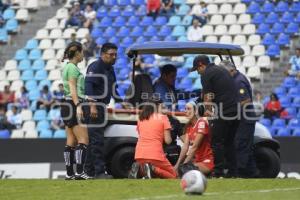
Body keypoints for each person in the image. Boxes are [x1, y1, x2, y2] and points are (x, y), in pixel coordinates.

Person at [191, 55, 239, 178]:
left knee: (216, 142)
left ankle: (218, 172)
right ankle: (233, 172)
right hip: (236, 110)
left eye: (197, 69)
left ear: (201, 65)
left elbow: (208, 96)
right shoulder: (221, 70)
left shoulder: (207, 74)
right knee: (229, 142)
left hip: (223, 111)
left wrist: (207, 111)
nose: (198, 72)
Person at [84, 42, 122, 179]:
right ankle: (99, 172)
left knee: (93, 140)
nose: (114, 57)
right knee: (97, 140)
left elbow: (113, 89)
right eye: (111, 54)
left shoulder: (110, 69)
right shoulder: (96, 66)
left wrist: (121, 102)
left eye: (116, 55)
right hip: (93, 107)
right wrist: (92, 105)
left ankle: (88, 171)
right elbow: (88, 86)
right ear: (103, 54)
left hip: (101, 106)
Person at [219, 60, 258, 178]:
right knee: (245, 147)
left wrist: (231, 107)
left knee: (240, 145)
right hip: (244, 118)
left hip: (244, 119)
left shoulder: (238, 81)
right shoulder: (236, 79)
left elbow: (246, 100)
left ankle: (240, 173)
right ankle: (252, 173)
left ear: (230, 70)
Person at [60, 41, 90, 180]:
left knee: (70, 141)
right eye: (82, 52)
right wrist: (78, 105)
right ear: (77, 53)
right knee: (83, 140)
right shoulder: (73, 68)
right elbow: (73, 88)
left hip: (66, 105)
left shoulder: (67, 67)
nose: (83, 54)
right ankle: (79, 172)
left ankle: (69, 173)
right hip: (74, 104)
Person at [129, 97, 177, 179]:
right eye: (162, 107)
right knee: (174, 176)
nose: (164, 109)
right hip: (155, 155)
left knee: (152, 173)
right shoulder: (163, 118)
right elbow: (168, 141)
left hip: (139, 155)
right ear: (157, 106)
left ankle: (139, 170)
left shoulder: (141, 118)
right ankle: (152, 169)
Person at [174, 102, 214, 176]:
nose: (186, 111)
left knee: (183, 170)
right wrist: (177, 165)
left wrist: (183, 165)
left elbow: (194, 147)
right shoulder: (189, 127)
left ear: (196, 111)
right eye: (185, 109)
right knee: (175, 170)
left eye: (189, 109)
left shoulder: (201, 123)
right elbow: (185, 148)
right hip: (195, 162)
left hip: (206, 161)